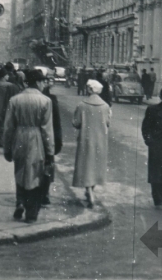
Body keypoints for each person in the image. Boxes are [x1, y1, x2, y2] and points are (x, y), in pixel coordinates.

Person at [3, 69, 55, 223]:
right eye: (43, 81)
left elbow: (8, 127)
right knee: (35, 175)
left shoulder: (15, 100)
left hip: (19, 137)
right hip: (36, 137)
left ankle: (20, 202)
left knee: (20, 171)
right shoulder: (45, 101)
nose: (44, 84)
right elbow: (47, 130)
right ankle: (31, 213)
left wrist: (7, 148)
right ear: (38, 82)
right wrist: (50, 152)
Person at [72, 79, 111, 209]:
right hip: (100, 141)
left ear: (89, 89)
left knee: (86, 165)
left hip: (85, 140)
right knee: (96, 166)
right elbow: (108, 123)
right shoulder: (105, 106)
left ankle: (89, 191)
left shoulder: (82, 105)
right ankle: (91, 191)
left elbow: (76, 123)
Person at [42, 76, 63, 205]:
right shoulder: (52, 100)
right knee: (48, 165)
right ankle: (45, 194)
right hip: (48, 138)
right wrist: (58, 141)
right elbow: (57, 124)